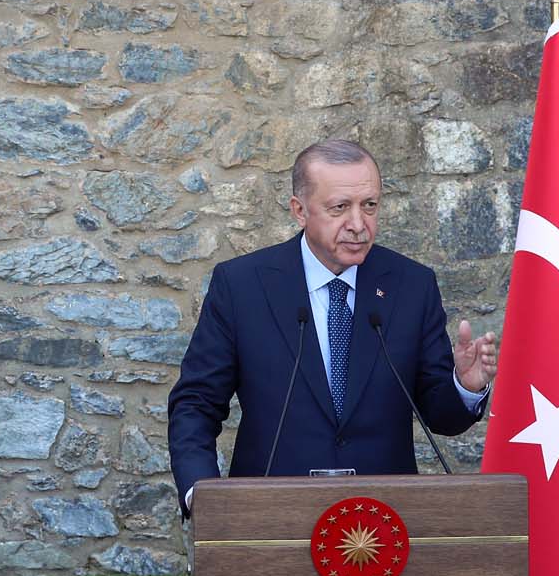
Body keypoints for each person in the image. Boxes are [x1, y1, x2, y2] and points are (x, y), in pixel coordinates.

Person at [168, 139, 498, 512]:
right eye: (340, 207)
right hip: (268, 518)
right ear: (300, 210)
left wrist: (464, 387)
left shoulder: (411, 285)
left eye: (369, 206)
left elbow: (440, 416)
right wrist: (202, 494)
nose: (358, 225)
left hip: (384, 519)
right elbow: (196, 404)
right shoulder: (242, 285)